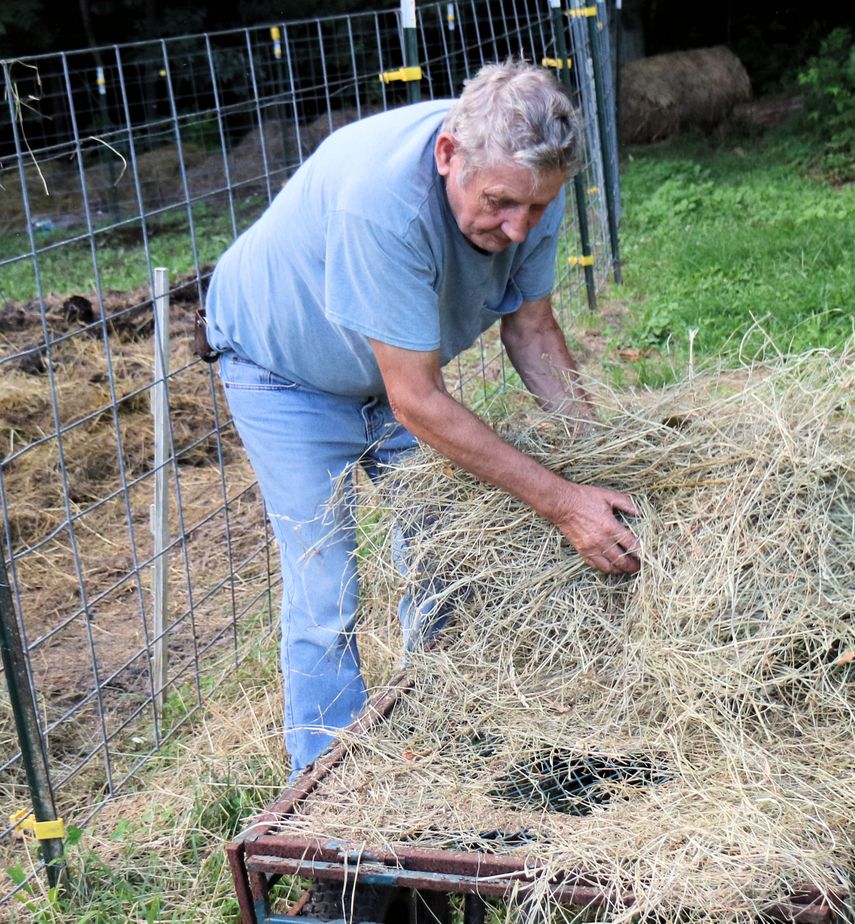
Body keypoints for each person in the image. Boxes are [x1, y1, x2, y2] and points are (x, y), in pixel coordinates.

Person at [203, 60, 641, 779]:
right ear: (448, 157)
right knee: (326, 584)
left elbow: (531, 332)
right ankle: (330, 790)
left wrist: (606, 465)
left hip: (397, 375)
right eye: (501, 203)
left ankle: (440, 732)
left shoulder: (532, 178)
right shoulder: (381, 202)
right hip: (285, 372)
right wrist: (565, 505)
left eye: (535, 209)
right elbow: (418, 399)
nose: (517, 226)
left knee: (445, 554)